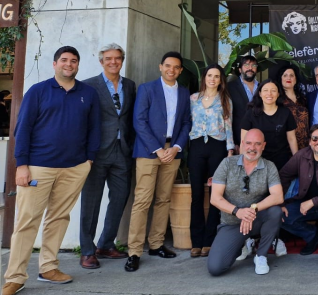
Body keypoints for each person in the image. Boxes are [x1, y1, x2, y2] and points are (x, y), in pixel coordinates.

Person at [3, 46, 100, 295]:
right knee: (27, 222)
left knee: (58, 219)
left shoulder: (88, 94)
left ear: (78, 65)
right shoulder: (38, 91)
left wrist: (88, 161)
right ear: (55, 64)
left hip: (74, 168)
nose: (69, 64)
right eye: (64, 60)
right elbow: (22, 130)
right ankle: (15, 277)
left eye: (74, 61)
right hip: (38, 168)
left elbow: (94, 129)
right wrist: (21, 165)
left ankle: (48, 268)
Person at [126, 51, 191, 273]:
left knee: (163, 200)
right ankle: (134, 251)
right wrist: (157, 149)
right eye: (168, 66)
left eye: (176, 67)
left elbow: (185, 123)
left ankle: (156, 244)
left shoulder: (184, 92)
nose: (171, 70)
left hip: (173, 152)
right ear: (160, 67)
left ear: (180, 70)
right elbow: (139, 121)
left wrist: (175, 148)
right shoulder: (147, 89)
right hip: (148, 151)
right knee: (142, 201)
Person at [79, 44, 136, 269]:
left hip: (122, 151)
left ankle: (106, 243)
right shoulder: (88, 86)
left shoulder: (130, 85)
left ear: (122, 60)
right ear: (101, 61)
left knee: (120, 198)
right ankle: (87, 250)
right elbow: (82, 119)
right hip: (96, 152)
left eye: (118, 58)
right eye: (109, 59)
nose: (114, 62)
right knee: (91, 202)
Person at [207, 129, 284, 276]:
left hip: (256, 219)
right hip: (231, 223)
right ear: (242, 144)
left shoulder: (269, 166)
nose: (252, 148)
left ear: (263, 146)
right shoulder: (226, 163)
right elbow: (215, 198)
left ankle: (261, 256)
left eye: (257, 144)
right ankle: (242, 244)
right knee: (215, 268)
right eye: (248, 143)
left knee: (275, 211)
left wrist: (252, 209)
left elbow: (278, 196)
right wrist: (238, 211)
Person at [188, 65, 235, 258]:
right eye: (209, 75)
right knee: (197, 194)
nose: (212, 79)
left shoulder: (226, 100)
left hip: (217, 146)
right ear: (204, 78)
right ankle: (196, 241)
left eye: (217, 76)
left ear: (221, 80)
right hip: (197, 146)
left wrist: (230, 151)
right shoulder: (193, 99)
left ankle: (209, 240)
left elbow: (229, 126)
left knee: (216, 194)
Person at [279, 124, 318, 255]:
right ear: (310, 141)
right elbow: (284, 175)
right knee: (279, 215)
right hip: (303, 203)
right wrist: (280, 202)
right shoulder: (301, 155)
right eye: (315, 138)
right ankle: (313, 235)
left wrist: (313, 202)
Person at [240, 79, 298, 172]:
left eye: (273, 91)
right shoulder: (250, 113)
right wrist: (242, 165)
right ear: (260, 93)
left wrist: (297, 161)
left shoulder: (286, 113)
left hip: (281, 161)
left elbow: (292, 139)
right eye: (265, 90)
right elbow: (243, 141)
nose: (269, 94)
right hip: (256, 160)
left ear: (278, 93)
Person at [227, 55, 259, 146]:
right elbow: (228, 117)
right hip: (239, 139)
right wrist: (234, 142)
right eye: (246, 65)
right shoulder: (230, 87)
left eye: (253, 66)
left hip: (259, 139)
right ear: (240, 69)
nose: (250, 68)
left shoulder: (262, 88)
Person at [277, 65, 310, 150]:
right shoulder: (277, 100)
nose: (289, 78)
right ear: (281, 79)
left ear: (295, 79)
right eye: (285, 75)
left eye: (292, 75)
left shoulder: (303, 98)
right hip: (286, 145)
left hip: (305, 145)